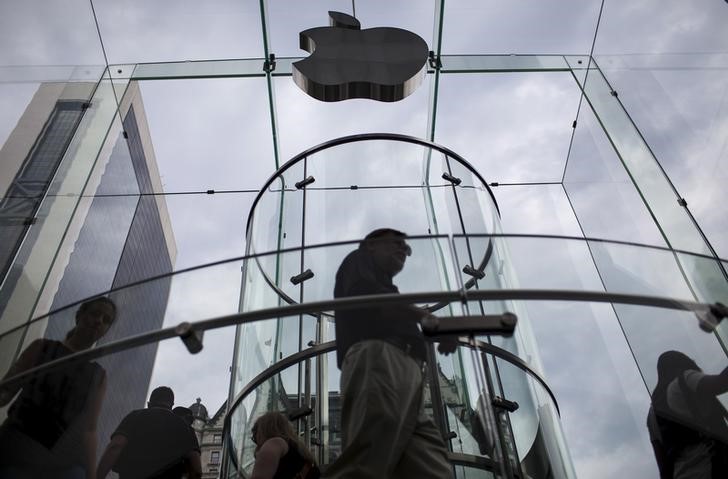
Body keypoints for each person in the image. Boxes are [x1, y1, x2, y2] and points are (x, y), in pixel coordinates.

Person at [325, 228, 454, 479]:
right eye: (396, 243)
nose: (403, 251)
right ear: (371, 245)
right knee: (365, 458)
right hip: (380, 360)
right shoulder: (358, 260)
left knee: (431, 467)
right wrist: (427, 317)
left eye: (406, 248)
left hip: (405, 370)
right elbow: (371, 298)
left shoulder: (382, 281)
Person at [0, 297, 116, 479]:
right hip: (18, 448)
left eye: (106, 319)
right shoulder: (42, 348)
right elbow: (5, 392)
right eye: (95, 313)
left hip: (62, 462)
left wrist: (92, 476)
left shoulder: (98, 375)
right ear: (80, 316)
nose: (99, 321)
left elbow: (89, 430)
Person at [647, 350, 728, 478]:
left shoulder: (652, 415)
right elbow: (721, 383)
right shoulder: (684, 379)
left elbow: (663, 467)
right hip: (710, 467)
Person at [97, 386, 202, 479]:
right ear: (172, 405)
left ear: (149, 403)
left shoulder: (135, 416)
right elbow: (197, 470)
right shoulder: (186, 428)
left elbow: (115, 446)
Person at [250, 411, 319, 479]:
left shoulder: (274, 443)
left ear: (264, 430)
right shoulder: (299, 452)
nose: (255, 438)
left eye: (256, 432)